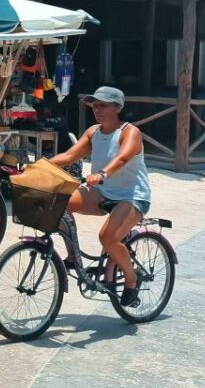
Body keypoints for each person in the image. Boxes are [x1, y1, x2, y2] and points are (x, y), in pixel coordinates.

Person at [47, 86, 152, 308]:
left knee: (107, 238)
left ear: (118, 108)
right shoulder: (93, 131)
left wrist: (103, 173)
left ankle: (132, 279)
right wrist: (39, 165)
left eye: (103, 105)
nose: (98, 109)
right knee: (59, 202)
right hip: (102, 192)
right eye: (95, 105)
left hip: (132, 196)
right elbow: (69, 155)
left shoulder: (129, 131)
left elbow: (123, 158)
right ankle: (73, 258)